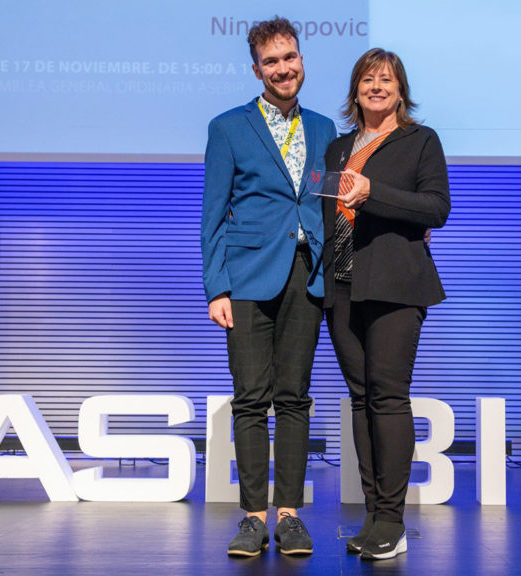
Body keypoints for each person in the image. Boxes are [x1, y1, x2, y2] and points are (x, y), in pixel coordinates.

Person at [200, 16, 336, 557]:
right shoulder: (228, 127)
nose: (284, 68)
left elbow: (327, 203)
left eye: (290, 57)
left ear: (302, 60)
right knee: (251, 400)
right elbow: (213, 214)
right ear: (257, 69)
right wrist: (217, 287)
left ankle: (290, 515)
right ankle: (254, 517)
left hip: (308, 274)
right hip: (249, 277)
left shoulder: (325, 128)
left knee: (295, 398)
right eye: (272, 61)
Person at [322, 48, 451, 560]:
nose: (377, 86)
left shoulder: (420, 140)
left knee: (389, 398)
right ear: (355, 90)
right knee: (360, 398)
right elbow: (325, 205)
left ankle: (392, 521)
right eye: (367, 79)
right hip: (342, 286)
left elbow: (437, 208)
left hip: (396, 285)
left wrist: (374, 193)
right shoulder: (336, 149)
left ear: (401, 90)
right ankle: (373, 514)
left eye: (387, 80)